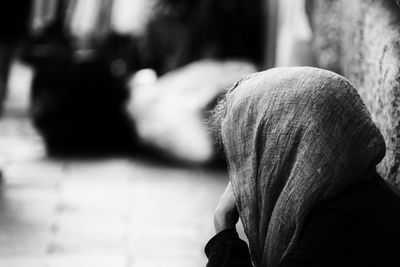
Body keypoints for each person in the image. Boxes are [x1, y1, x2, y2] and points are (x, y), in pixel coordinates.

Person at [205, 67, 400, 267]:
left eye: (249, 154)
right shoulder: (358, 196)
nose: (244, 172)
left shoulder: (334, 229)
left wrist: (224, 226)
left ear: (283, 150)